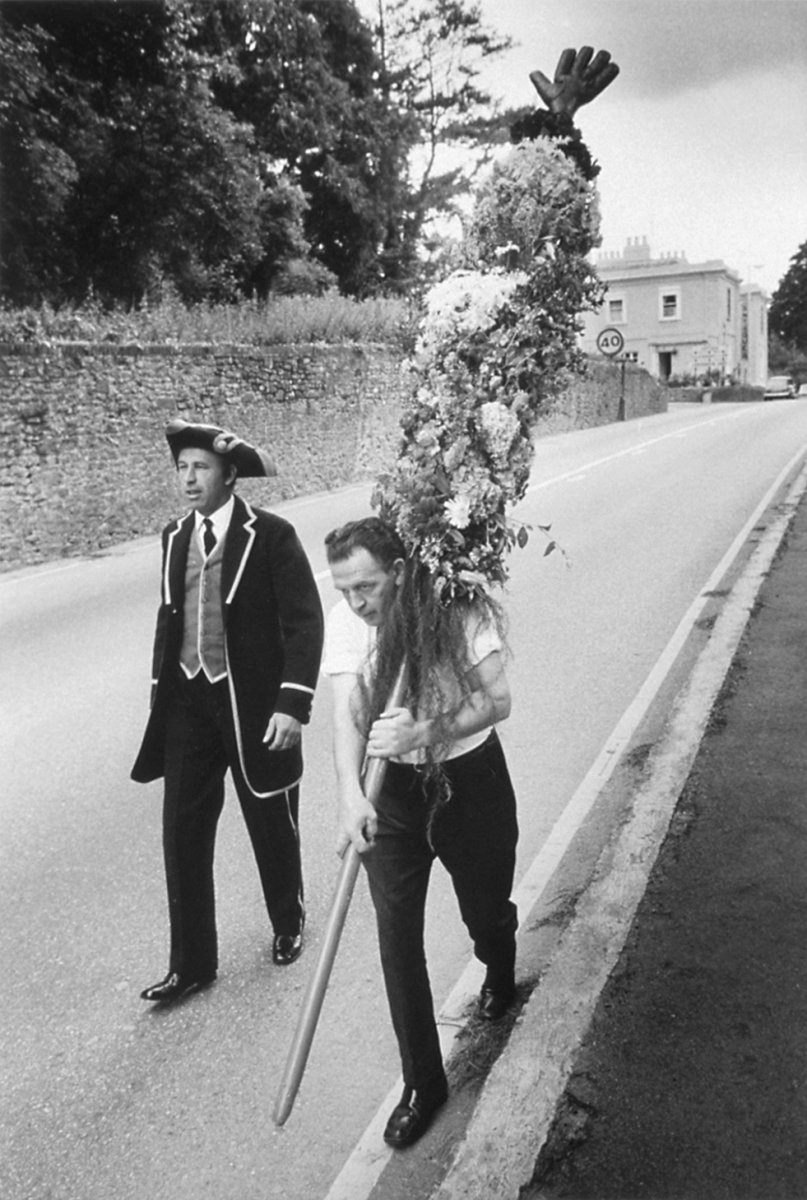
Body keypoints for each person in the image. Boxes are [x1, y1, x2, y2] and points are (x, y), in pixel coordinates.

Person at [321, 517, 519, 1149]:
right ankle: (423, 1081)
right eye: (345, 588)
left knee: (485, 913)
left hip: (467, 779)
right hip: (394, 796)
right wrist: (351, 794)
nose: (357, 601)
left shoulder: (454, 603)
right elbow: (348, 710)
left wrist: (421, 733)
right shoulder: (346, 617)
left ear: (401, 573)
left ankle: (499, 960)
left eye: (368, 586)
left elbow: (498, 699)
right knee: (395, 935)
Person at [131, 418, 324, 1003]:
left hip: (254, 707)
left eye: (201, 469)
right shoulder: (172, 537)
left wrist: (292, 703)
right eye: (182, 469)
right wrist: (161, 694)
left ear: (230, 475)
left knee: (270, 817)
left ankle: (287, 921)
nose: (189, 479)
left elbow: (304, 622)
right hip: (190, 703)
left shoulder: (271, 535)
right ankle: (192, 963)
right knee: (182, 833)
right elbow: (171, 621)